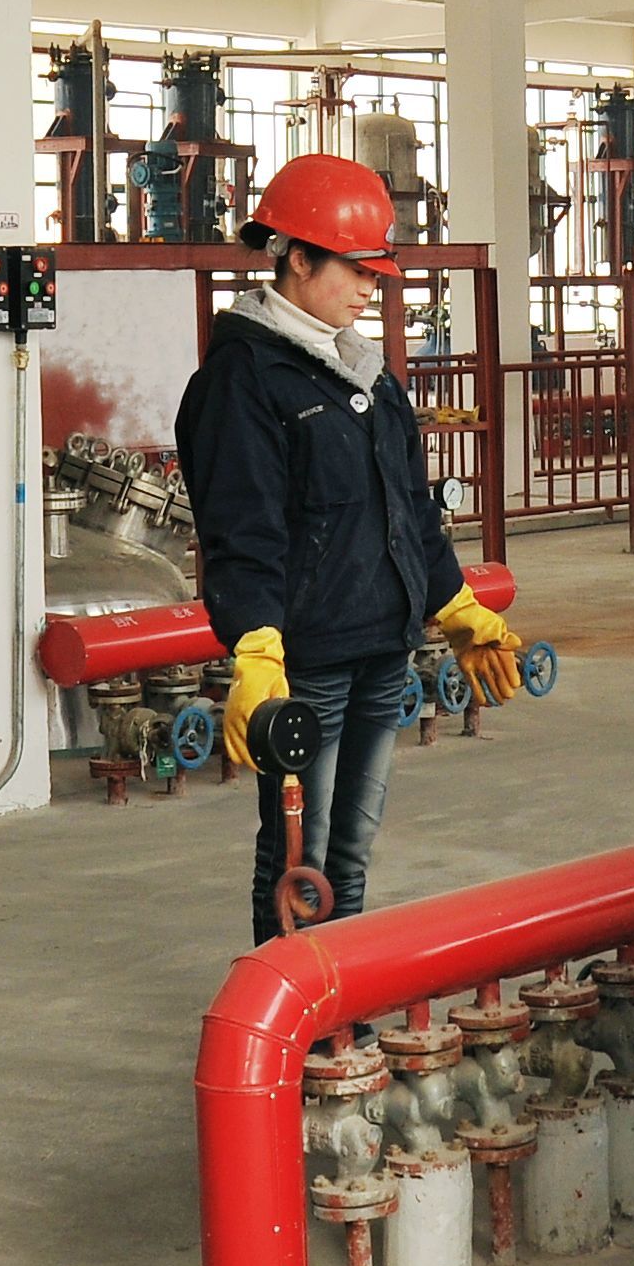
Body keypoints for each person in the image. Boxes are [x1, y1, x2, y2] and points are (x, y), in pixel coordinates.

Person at [175, 151, 526, 943]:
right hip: (308, 661)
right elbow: (242, 530)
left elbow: (407, 509)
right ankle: (291, 1004)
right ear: (298, 259)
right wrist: (256, 647)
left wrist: (456, 605)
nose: (372, 288)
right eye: (357, 269)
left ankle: (343, 995)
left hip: (381, 648)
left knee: (353, 853)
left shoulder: (365, 372)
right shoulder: (244, 379)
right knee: (300, 855)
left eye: (377, 273)